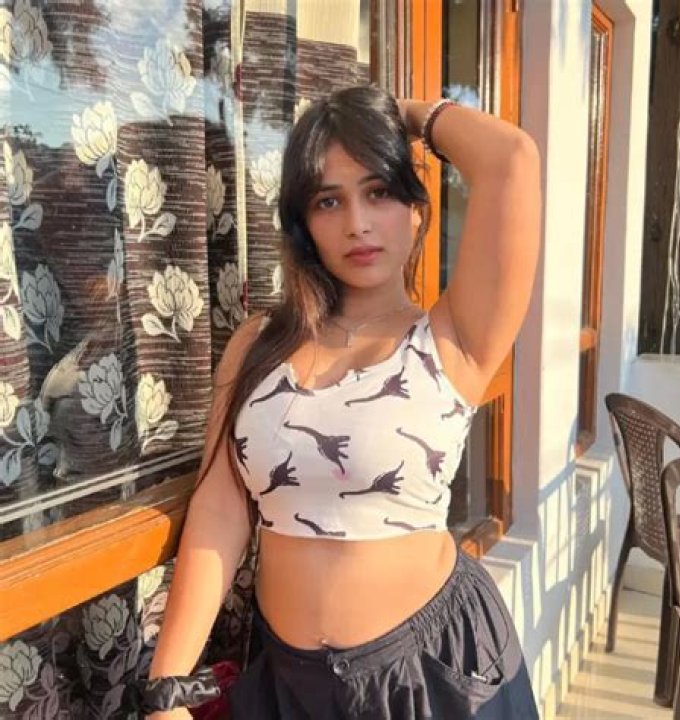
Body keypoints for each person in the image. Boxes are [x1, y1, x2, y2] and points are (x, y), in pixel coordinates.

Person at [145, 85, 541, 719]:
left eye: (378, 191)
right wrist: (167, 686)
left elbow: (511, 159)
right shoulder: (257, 344)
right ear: (305, 225)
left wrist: (403, 115)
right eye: (329, 201)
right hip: (288, 685)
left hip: (429, 676)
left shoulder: (453, 338)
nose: (357, 223)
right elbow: (220, 504)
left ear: (416, 211)